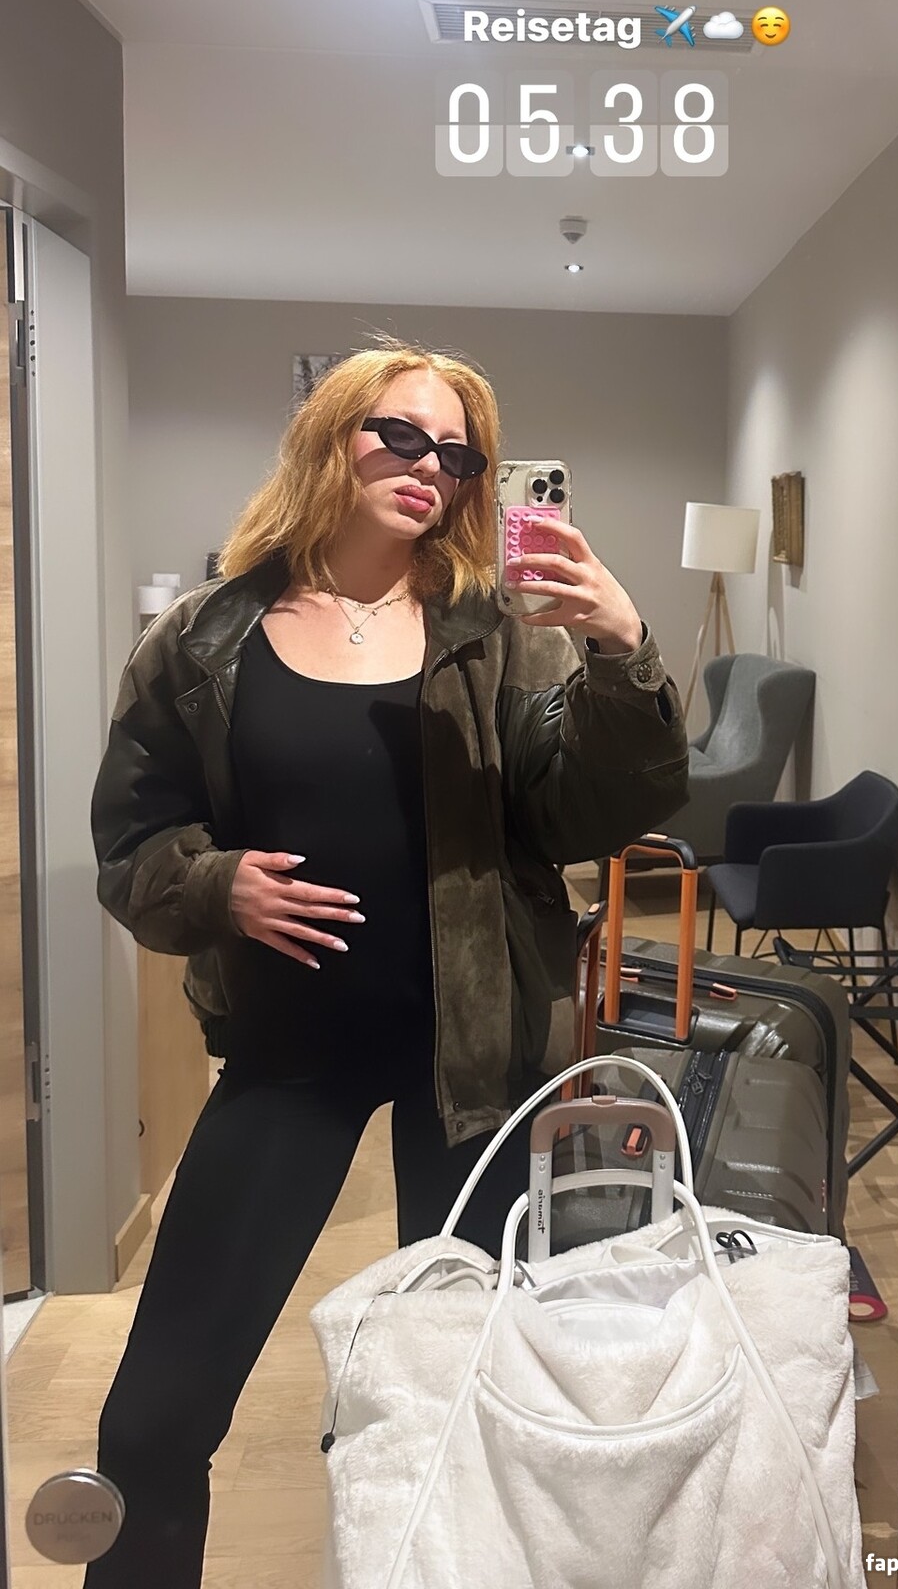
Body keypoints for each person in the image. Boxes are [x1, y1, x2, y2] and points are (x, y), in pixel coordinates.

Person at [86, 340, 688, 1587]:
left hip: (475, 1058)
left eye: (458, 453)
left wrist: (622, 651)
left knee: (471, 1396)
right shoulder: (206, 636)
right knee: (153, 1418)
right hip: (286, 1054)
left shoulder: (499, 634)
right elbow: (131, 844)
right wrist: (216, 883)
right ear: (331, 439)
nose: (431, 467)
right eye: (400, 436)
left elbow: (583, 814)